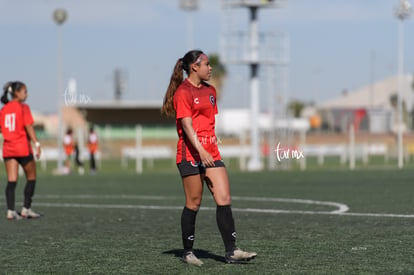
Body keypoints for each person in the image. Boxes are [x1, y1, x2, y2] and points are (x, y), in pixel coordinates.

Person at [161, 50, 257, 266]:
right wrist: (201, 150)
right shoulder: (182, 92)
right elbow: (186, 126)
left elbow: (208, 124)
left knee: (224, 198)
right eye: (207, 64)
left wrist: (210, 147)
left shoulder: (210, 90)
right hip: (190, 153)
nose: (210, 67)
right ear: (194, 67)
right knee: (193, 203)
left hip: (211, 152)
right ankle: (187, 252)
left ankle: (231, 251)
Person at [0, 81, 41, 220]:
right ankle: (26, 209)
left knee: (11, 181)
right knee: (31, 177)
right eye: (25, 91)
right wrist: (37, 143)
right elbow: (29, 127)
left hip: (8, 149)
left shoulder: (4, 109)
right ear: (16, 93)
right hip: (22, 148)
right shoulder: (23, 107)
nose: (27, 94)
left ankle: (11, 211)